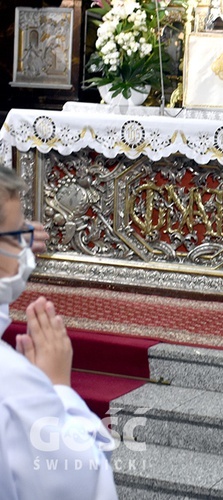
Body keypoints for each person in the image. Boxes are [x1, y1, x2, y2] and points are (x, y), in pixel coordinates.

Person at [0, 167, 118, 500]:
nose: (25, 248)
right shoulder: (13, 386)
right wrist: (58, 388)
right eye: (16, 235)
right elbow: (85, 480)